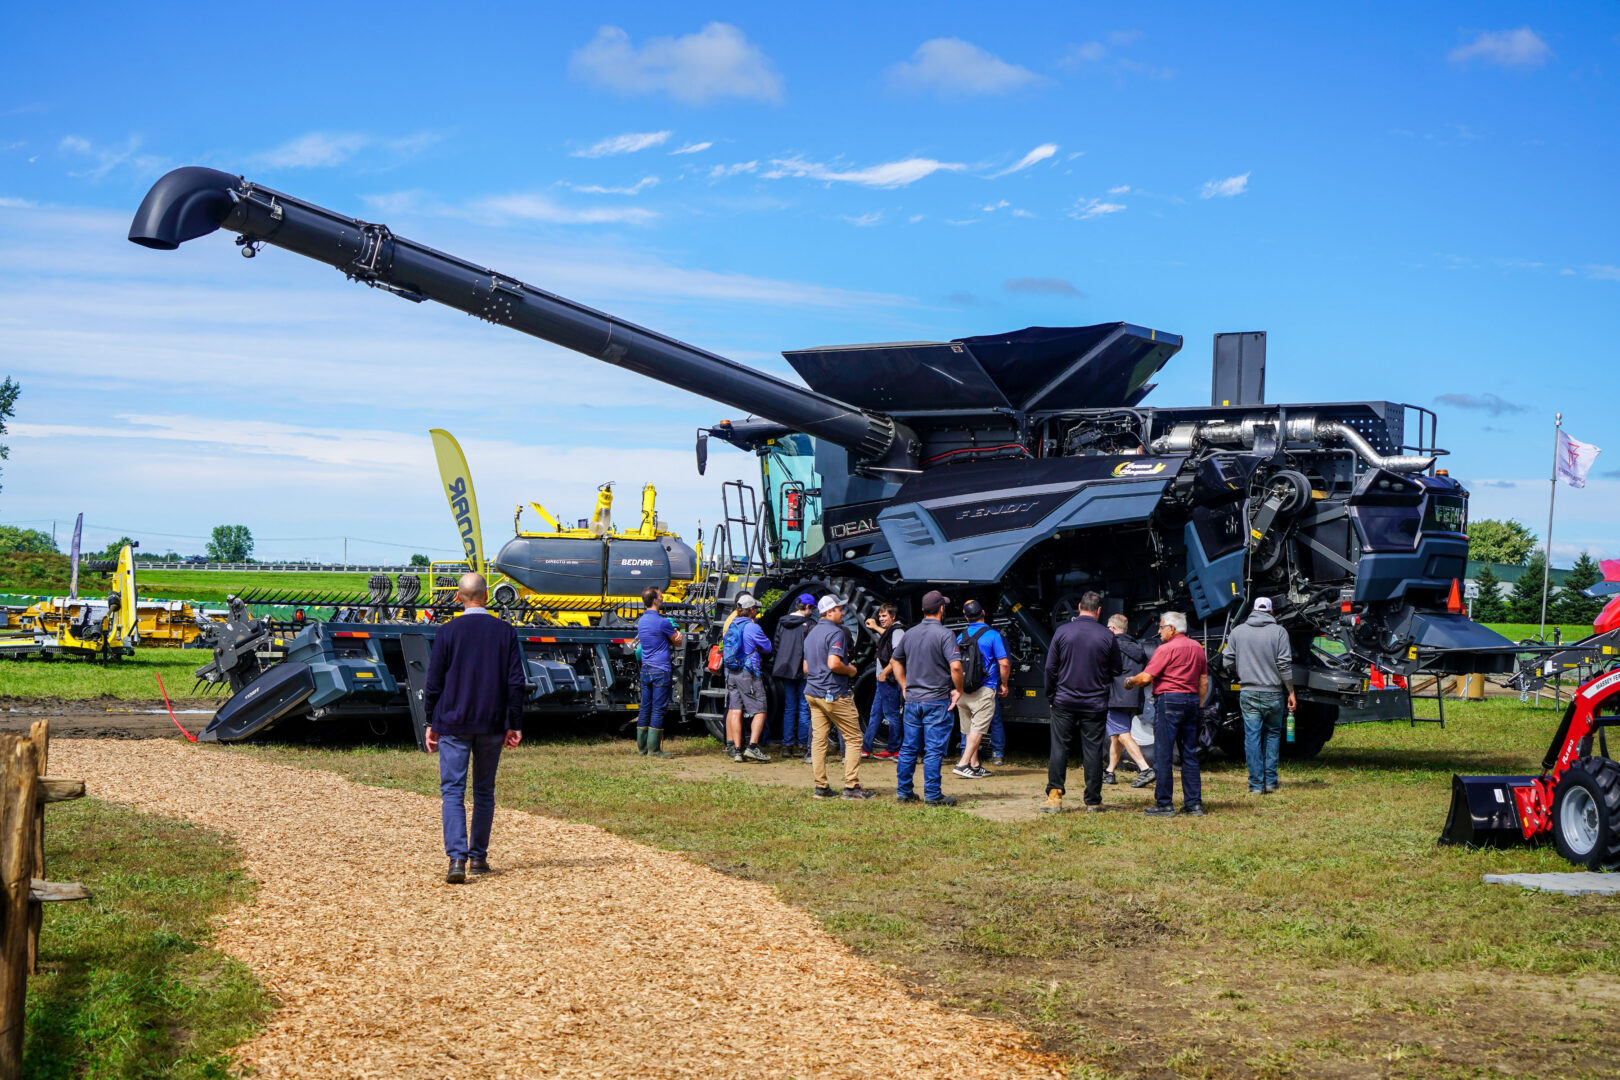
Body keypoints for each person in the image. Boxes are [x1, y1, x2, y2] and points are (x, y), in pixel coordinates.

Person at [423, 572, 526, 884]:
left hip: (453, 720)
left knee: (453, 790)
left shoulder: (447, 632)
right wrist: (514, 723)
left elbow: (433, 682)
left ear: (459, 597)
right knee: (484, 790)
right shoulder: (505, 631)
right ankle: (478, 856)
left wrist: (431, 720)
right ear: (487, 596)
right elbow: (515, 682)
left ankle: (456, 859)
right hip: (492, 721)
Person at [1040, 591, 1122, 814]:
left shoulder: (1063, 631)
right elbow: (1117, 668)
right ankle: (1093, 801)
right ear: (1099, 610)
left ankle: (1055, 797)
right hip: (1095, 703)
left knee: (1059, 748)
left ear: (1078, 607)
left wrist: (1051, 696)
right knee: (1093, 751)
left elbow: (1050, 668)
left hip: (1064, 701)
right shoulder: (1107, 636)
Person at [1124, 612, 1210, 817]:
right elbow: (1204, 681)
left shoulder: (1165, 649)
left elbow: (1146, 677)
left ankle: (1164, 804)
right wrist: (1196, 704)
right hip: (1190, 701)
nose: (1159, 631)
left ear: (1172, 629)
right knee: (1189, 753)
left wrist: (1130, 682)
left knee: (1163, 754)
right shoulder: (1197, 648)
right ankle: (1194, 804)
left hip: (1169, 701)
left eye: (1161, 627)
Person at [892, 590, 964, 807]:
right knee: (933, 750)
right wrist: (958, 689)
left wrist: (904, 685)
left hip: (913, 700)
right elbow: (956, 666)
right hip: (936, 699)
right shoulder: (945, 634)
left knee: (908, 748)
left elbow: (896, 661)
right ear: (942, 609)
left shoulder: (910, 634)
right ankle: (932, 795)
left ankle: (904, 791)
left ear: (923, 610)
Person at [1223, 596, 1295, 795]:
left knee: (1252, 736)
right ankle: (1271, 782)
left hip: (1249, 692)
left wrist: (1241, 670)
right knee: (1272, 734)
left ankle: (1255, 785)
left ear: (1253, 610)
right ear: (1271, 612)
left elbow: (1226, 661)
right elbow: (1284, 665)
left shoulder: (1238, 631)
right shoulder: (1279, 632)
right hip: (1273, 693)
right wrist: (1291, 691)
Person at [803, 595, 872, 799]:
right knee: (854, 737)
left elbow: (806, 668)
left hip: (812, 693)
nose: (843, 613)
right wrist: (850, 670)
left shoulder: (811, 633)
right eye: (840, 609)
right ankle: (851, 787)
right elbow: (834, 663)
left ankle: (821, 787)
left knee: (819, 740)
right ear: (829, 612)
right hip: (832, 692)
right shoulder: (837, 633)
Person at [953, 600, 1009, 779]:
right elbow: (1004, 663)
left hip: (964, 689)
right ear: (983, 612)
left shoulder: (960, 636)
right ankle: (963, 764)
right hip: (984, 688)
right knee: (979, 729)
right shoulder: (993, 635)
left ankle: (974, 765)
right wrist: (1004, 684)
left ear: (966, 616)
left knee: (969, 729)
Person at [1105, 614, 1156, 789]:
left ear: (1112, 629)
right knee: (1116, 736)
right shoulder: (1138, 647)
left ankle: (1145, 768)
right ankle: (1110, 771)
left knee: (1122, 734)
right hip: (1134, 697)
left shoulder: (1112, 646)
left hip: (1116, 697)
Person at [721, 593, 772, 762]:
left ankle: (737, 751)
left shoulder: (731, 624)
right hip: (748, 673)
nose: (757, 610)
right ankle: (753, 747)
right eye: (755, 608)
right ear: (750, 610)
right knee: (760, 709)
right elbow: (767, 647)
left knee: (735, 710)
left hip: (731, 672)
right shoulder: (752, 627)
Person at [635, 586, 683, 759]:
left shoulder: (641, 621)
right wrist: (677, 633)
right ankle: (654, 750)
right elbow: (677, 641)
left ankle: (642, 749)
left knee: (645, 708)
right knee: (658, 709)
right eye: (661, 597)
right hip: (661, 669)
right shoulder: (663, 622)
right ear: (655, 600)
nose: (662, 599)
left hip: (646, 668)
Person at [772, 594, 818, 759]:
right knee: (804, 708)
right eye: (811, 608)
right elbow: (812, 649)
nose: (812, 611)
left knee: (789, 708)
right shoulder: (810, 624)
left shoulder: (783, 622)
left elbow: (776, 644)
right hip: (803, 671)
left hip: (785, 670)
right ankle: (804, 744)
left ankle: (787, 745)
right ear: (806, 607)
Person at [862, 604, 906, 759]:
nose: (881, 619)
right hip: (882, 680)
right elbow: (887, 635)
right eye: (880, 616)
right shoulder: (891, 631)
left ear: (893, 617)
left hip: (888, 680)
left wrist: (884, 673)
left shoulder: (898, 631)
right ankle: (865, 748)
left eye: (884, 616)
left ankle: (894, 748)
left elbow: (897, 656)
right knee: (875, 714)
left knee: (891, 715)